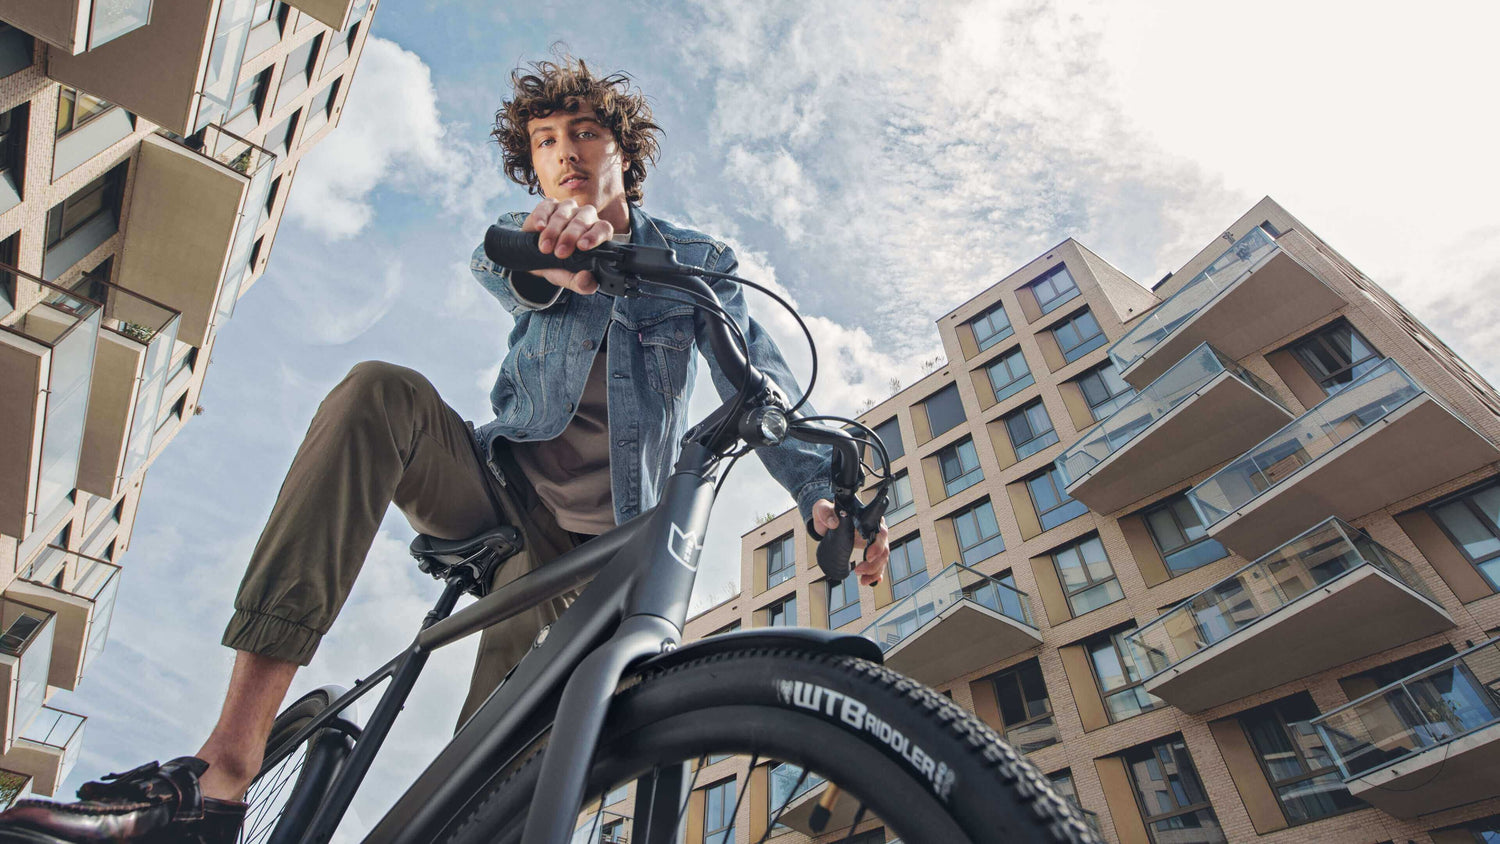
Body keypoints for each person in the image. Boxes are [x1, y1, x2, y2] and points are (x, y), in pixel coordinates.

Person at [0, 56, 890, 843]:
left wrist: (823, 488)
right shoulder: (532, 232)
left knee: (503, 734)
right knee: (375, 391)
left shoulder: (697, 261)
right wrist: (555, 260)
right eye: (546, 140)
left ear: (626, 152)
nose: (566, 152)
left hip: (597, 553)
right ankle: (223, 771)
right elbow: (507, 261)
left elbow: (762, 386)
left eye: (584, 132)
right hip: (493, 493)